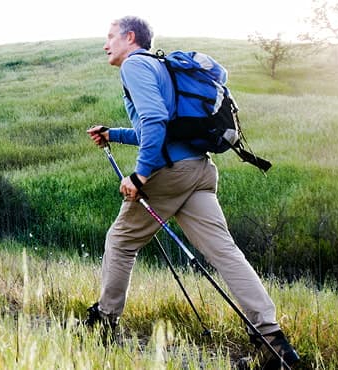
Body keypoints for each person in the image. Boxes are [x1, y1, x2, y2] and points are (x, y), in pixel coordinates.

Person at [85, 16, 300, 369]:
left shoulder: (135, 66)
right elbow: (157, 127)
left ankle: (105, 322)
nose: (105, 44)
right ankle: (273, 341)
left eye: (110, 37)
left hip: (170, 175)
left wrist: (139, 176)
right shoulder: (162, 68)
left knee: (120, 241)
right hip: (199, 171)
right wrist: (114, 134)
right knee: (226, 254)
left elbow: (154, 121)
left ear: (129, 37)